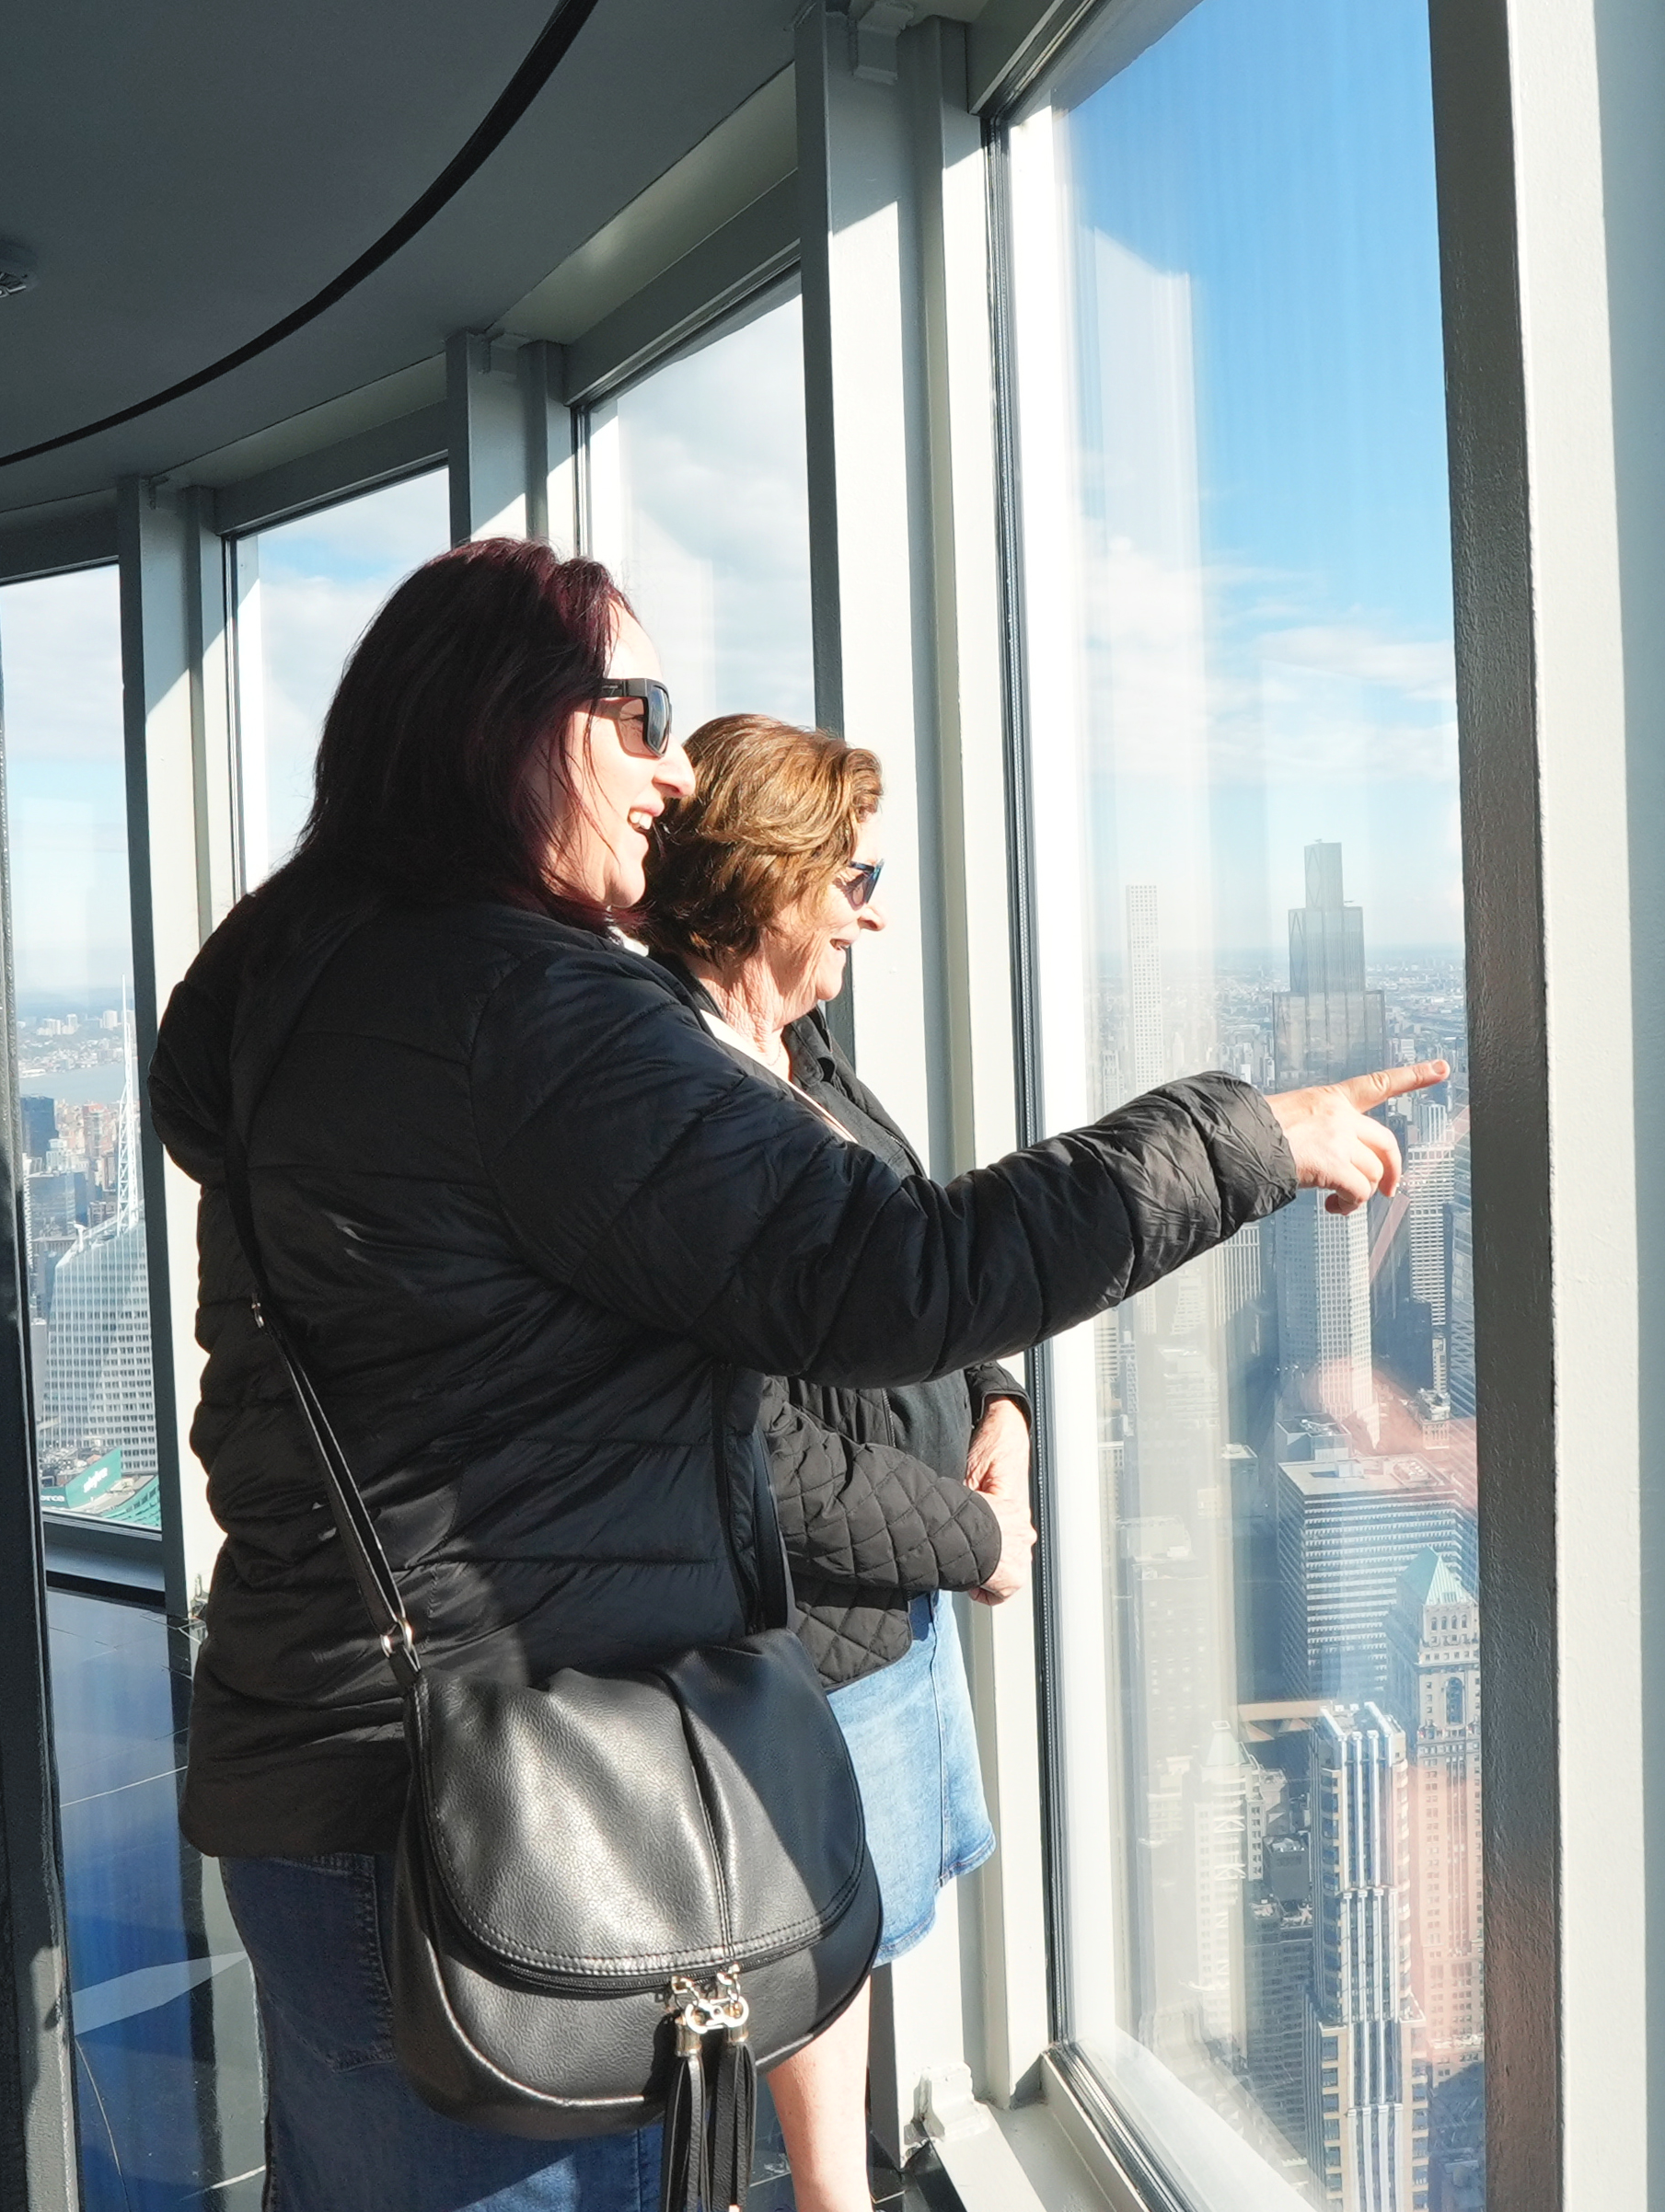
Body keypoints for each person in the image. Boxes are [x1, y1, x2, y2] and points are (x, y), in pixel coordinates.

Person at [144, 536, 1441, 2212]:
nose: (673, 771)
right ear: (500, 722)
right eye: (638, 711)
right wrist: (1250, 1136)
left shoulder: (299, 976)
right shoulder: (519, 1010)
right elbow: (890, 1271)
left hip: (328, 1781)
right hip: (498, 1809)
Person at [639, 713, 1023, 2206]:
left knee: (864, 1933)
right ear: (766, 877)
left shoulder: (804, 1059)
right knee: (818, 1949)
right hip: (813, 1637)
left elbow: (918, 1255)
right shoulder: (683, 1100)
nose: (871, 906)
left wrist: (1005, 1408)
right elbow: (761, 1455)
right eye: (848, 874)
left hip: (894, 1614)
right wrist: (973, 1539)